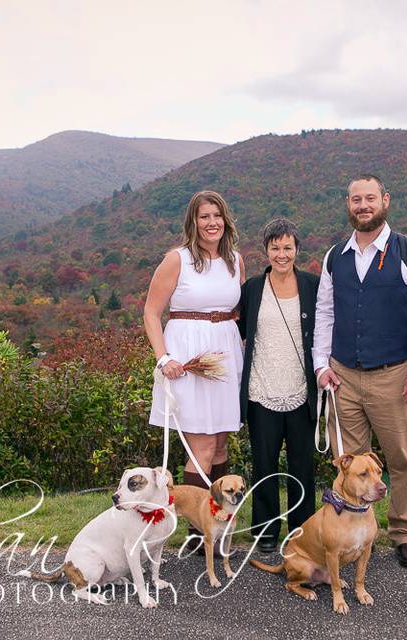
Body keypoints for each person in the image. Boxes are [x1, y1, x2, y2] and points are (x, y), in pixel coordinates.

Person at [312, 174, 407, 569]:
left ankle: (405, 534)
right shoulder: (336, 256)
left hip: (394, 373)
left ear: (385, 201)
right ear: (348, 205)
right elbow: (325, 314)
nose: (363, 205)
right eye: (356, 200)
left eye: (370, 198)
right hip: (343, 376)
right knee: (349, 463)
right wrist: (321, 365)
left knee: (402, 459)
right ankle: (351, 535)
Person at [144, 190, 245, 546]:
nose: (211, 223)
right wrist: (164, 357)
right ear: (193, 222)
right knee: (200, 447)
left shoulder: (235, 260)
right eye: (204, 217)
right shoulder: (177, 259)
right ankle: (195, 531)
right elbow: (151, 313)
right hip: (187, 360)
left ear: (225, 220)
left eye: (217, 215)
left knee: (220, 446)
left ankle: (216, 521)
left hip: (226, 356)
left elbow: (239, 312)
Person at [237, 218, 320, 553]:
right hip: (262, 389)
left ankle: (302, 531)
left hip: (301, 390)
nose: (281, 254)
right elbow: (239, 332)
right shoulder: (253, 288)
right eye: (275, 247)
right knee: (264, 464)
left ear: (297, 249)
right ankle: (266, 531)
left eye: (287, 247)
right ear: (266, 250)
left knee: (302, 466)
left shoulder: (313, 285)